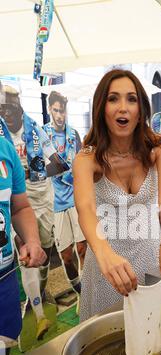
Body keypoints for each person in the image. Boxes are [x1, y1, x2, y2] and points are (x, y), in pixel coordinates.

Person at [73, 69, 161, 321]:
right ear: (101, 107)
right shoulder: (86, 159)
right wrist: (104, 253)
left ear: (141, 109)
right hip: (105, 265)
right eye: (113, 99)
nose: (123, 107)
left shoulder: (160, 147)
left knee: (149, 334)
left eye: (131, 99)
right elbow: (86, 209)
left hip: (149, 255)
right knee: (103, 345)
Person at [0, 84, 69, 339]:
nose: (5, 114)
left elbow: (61, 164)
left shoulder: (36, 131)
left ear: (19, 108)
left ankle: (36, 298)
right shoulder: (4, 137)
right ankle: (38, 313)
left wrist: (31, 172)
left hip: (40, 204)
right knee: (25, 260)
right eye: (2, 108)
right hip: (10, 209)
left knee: (41, 256)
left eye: (10, 108)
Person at [0, 137, 46, 355]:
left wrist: (32, 240)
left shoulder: (5, 149)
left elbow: (19, 207)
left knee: (2, 348)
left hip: (5, 277)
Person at [43, 91, 86, 295]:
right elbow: (37, 170)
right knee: (66, 257)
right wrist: (56, 168)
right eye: (56, 110)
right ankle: (79, 291)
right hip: (55, 203)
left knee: (83, 249)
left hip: (76, 199)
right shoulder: (41, 135)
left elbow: (82, 163)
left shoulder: (73, 134)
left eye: (63, 111)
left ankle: (87, 293)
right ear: (50, 110)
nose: (60, 115)